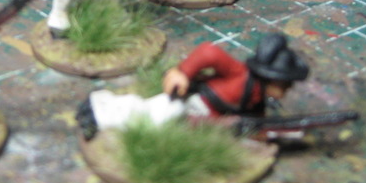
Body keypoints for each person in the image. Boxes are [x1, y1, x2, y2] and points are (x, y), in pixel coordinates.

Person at [77, 33, 310, 136]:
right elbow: (209, 52)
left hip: (204, 120)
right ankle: (99, 112)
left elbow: (253, 120)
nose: (288, 89)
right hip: (192, 102)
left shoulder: (258, 97)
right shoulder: (240, 73)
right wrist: (183, 73)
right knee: (154, 117)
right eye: (285, 84)